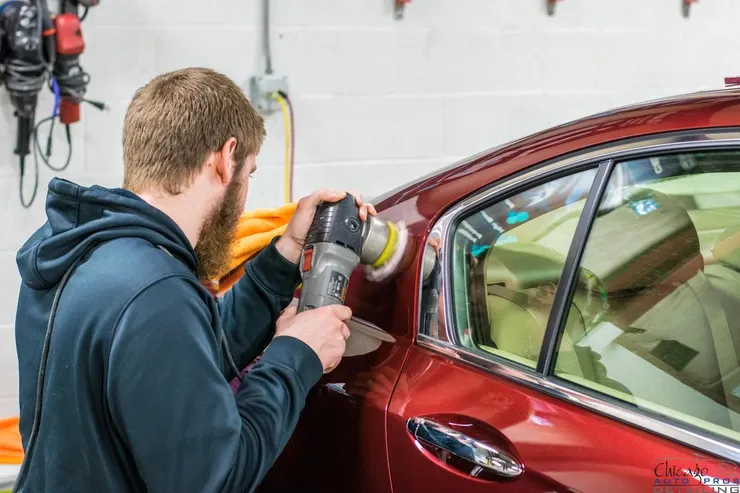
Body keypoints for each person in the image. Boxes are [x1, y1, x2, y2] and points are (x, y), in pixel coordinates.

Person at [12, 67, 376, 492]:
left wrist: (285, 255)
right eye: (250, 173)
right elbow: (216, 479)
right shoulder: (154, 291)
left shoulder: (82, 253)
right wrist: (296, 355)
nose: (245, 194)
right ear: (225, 158)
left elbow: (180, 366)